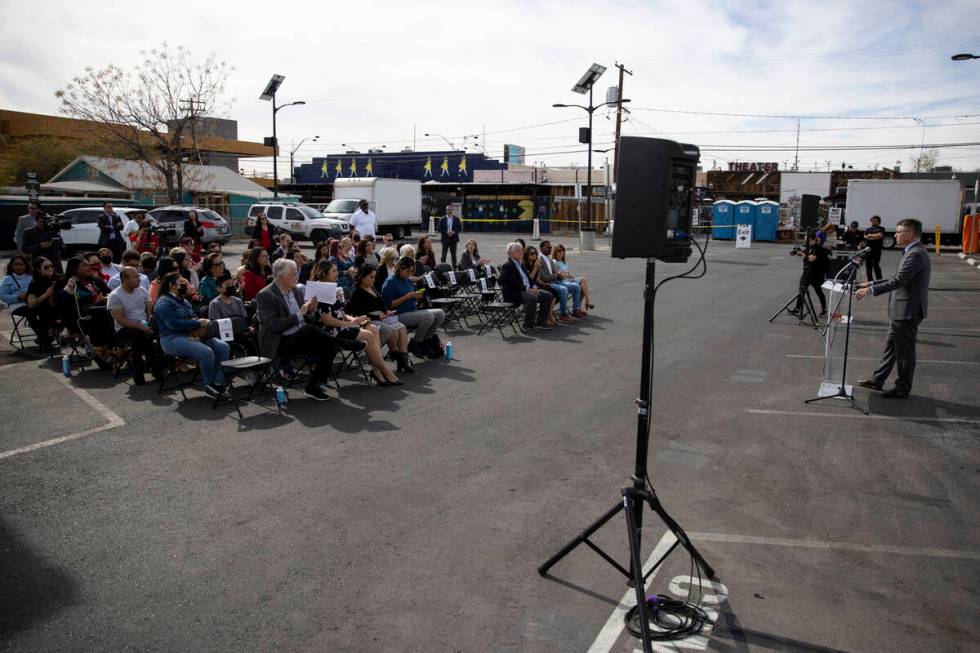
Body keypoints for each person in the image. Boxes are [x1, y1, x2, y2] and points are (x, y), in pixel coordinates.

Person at [856, 218, 931, 398]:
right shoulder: (911, 251)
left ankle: (902, 388)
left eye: (899, 232)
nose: (895, 235)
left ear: (910, 234)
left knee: (905, 352)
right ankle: (877, 380)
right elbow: (898, 276)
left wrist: (871, 290)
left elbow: (899, 280)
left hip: (908, 311)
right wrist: (871, 282)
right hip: (902, 310)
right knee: (891, 348)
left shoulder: (915, 254)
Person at [255, 258, 338, 401]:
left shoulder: (296, 291)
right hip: (280, 341)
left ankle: (313, 386)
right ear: (282, 277)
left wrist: (311, 309)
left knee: (330, 346)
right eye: (294, 274)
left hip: (300, 337)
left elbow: (306, 317)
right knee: (310, 331)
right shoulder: (266, 295)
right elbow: (273, 325)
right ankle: (342, 341)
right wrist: (300, 314)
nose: (297, 276)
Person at [311, 260, 401, 386]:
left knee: (373, 329)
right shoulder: (320, 290)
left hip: (340, 325)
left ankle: (377, 372)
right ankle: (385, 371)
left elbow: (341, 313)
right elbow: (327, 320)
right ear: (324, 273)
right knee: (369, 335)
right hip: (330, 330)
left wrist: (354, 320)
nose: (338, 273)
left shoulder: (333, 287)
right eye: (334, 271)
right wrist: (349, 324)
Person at [152, 271, 230, 398]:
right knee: (206, 352)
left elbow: (193, 317)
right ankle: (209, 383)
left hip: (191, 335)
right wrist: (197, 322)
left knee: (223, 347)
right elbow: (173, 325)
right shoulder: (163, 303)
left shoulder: (183, 300)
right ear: (171, 285)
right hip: (172, 338)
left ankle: (218, 381)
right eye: (181, 282)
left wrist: (199, 322)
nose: (186, 284)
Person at [348, 263, 414, 374]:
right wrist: (378, 316)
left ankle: (403, 360)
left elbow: (381, 303)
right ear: (362, 277)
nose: (373, 280)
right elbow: (358, 313)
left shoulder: (372, 288)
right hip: (368, 320)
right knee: (392, 331)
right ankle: (392, 355)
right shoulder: (356, 292)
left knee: (401, 328)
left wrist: (386, 311)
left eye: (374, 277)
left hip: (380, 317)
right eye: (371, 277)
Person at [381, 256, 446, 359]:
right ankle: (416, 343)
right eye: (409, 270)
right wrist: (408, 296)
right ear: (401, 268)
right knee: (428, 316)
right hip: (396, 315)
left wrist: (416, 297)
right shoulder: (390, 282)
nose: (410, 273)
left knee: (440, 313)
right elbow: (389, 305)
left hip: (410, 311)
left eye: (412, 270)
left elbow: (410, 298)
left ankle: (426, 340)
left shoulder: (407, 280)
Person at [107, 267, 158, 385]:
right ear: (125, 279)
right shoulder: (115, 295)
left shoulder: (142, 291)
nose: (139, 279)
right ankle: (142, 371)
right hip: (125, 328)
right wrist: (139, 326)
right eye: (135, 277)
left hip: (143, 324)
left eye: (138, 276)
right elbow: (119, 319)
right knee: (140, 336)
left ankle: (155, 366)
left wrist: (149, 317)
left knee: (156, 331)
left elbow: (149, 306)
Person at [499, 241, 552, 333]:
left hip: (526, 291)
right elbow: (513, 284)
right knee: (532, 297)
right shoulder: (507, 265)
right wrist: (528, 290)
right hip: (514, 294)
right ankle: (527, 326)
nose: (521, 252)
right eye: (518, 251)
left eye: (521, 250)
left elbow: (528, 279)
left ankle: (540, 323)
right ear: (510, 253)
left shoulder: (521, 264)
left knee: (548, 295)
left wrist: (534, 286)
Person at [538, 240, 585, 321]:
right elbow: (543, 278)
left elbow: (556, 274)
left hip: (555, 281)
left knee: (576, 286)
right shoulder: (540, 260)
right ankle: (563, 314)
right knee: (563, 289)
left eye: (551, 247)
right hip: (546, 283)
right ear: (541, 248)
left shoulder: (548, 260)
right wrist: (556, 275)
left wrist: (561, 275)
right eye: (548, 247)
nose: (550, 249)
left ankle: (575, 310)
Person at [792, 231, 829, 316]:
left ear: (813, 240)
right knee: (801, 291)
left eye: (807, 240)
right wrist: (798, 252)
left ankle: (824, 310)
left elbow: (811, 258)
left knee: (819, 292)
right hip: (807, 273)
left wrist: (802, 253)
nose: (806, 242)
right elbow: (805, 253)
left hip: (816, 275)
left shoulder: (818, 248)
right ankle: (797, 308)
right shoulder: (810, 247)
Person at [27, 257, 59, 349]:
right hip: (43, 312)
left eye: (51, 266)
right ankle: (48, 336)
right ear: (38, 270)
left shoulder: (57, 278)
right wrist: (46, 294)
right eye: (46, 267)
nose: (50, 268)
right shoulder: (35, 283)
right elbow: (31, 304)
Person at [521, 246, 558, 326]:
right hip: (529, 287)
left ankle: (548, 315)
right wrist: (535, 268)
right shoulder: (525, 265)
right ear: (527, 255)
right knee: (548, 294)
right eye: (532, 253)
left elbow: (537, 280)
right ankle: (546, 318)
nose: (534, 255)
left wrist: (545, 284)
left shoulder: (536, 263)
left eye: (535, 253)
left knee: (554, 292)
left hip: (535, 285)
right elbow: (529, 280)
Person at [552, 243, 594, 310]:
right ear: (555, 252)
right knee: (580, 286)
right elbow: (558, 275)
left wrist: (570, 276)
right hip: (561, 281)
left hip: (568, 280)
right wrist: (567, 276)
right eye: (559, 251)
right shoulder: (554, 262)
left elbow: (566, 273)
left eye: (563, 250)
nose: (561, 252)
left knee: (583, 280)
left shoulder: (563, 262)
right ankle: (578, 307)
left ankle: (584, 303)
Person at [864, 215, 885, 281]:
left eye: (875, 221)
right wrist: (874, 237)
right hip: (868, 250)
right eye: (872, 221)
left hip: (877, 250)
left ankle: (879, 280)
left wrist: (870, 235)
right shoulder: (868, 229)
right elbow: (865, 237)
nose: (873, 222)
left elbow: (880, 235)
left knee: (875, 265)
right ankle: (869, 281)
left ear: (878, 222)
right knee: (868, 266)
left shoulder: (881, 228)